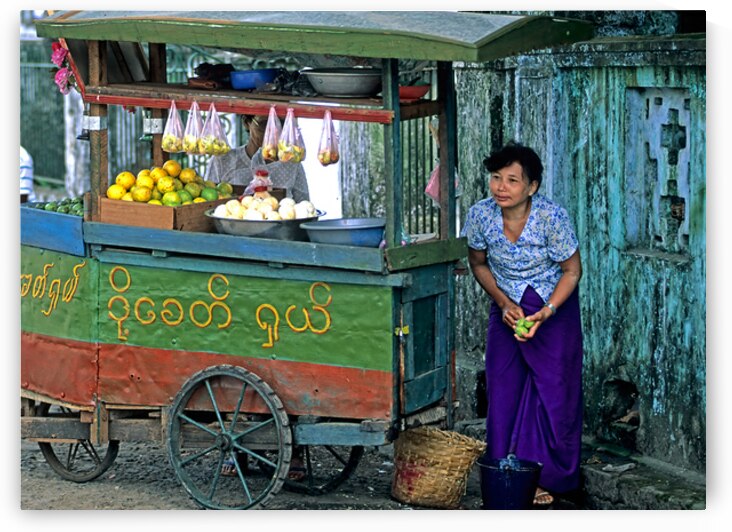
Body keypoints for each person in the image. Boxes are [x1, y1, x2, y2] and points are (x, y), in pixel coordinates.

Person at [461, 141, 583, 507]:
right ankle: (506, 474)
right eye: (496, 178)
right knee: (503, 388)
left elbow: (572, 270)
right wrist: (502, 303)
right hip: (508, 308)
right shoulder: (481, 216)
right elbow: (478, 263)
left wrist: (546, 311)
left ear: (532, 186)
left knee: (554, 391)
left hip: (551, 307)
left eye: (512, 180)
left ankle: (549, 477)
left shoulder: (552, 218)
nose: (501, 187)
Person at [206, 114, 310, 203]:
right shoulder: (222, 161)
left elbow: (304, 206)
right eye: (264, 124)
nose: (272, 132)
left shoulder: (291, 164)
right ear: (247, 123)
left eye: (279, 123)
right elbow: (207, 203)